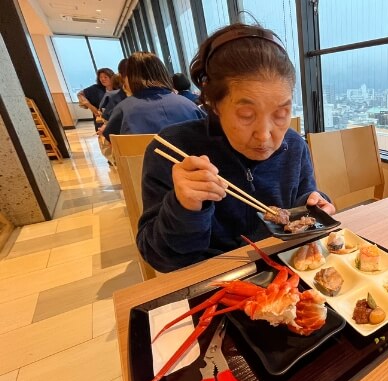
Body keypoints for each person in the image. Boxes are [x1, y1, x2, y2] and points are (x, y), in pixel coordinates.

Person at [138, 23, 335, 273]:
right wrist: (184, 207)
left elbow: (302, 202)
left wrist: (315, 205)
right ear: (213, 102)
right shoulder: (176, 151)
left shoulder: (294, 146)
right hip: (210, 280)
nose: (264, 136)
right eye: (246, 114)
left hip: (281, 272)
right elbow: (161, 259)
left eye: (281, 113)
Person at [101, 52, 204, 139]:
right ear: (163, 74)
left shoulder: (123, 109)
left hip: (143, 162)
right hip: (191, 161)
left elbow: (111, 139)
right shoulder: (188, 105)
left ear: (130, 78)